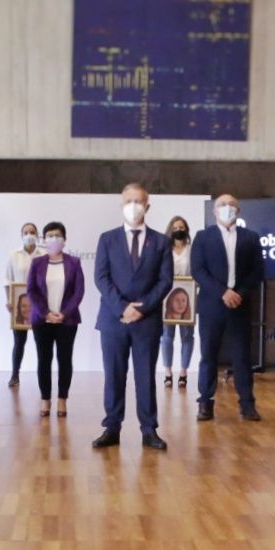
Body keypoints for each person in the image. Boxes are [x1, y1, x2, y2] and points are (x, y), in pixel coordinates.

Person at [93, 183, 173, 450]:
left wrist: (142, 308)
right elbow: (101, 278)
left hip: (146, 321)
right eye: (129, 201)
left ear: (148, 206)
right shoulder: (107, 239)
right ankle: (111, 428)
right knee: (114, 375)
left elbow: (165, 281)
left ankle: (149, 429)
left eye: (139, 201)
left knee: (145, 376)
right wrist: (122, 308)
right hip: (113, 320)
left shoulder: (161, 242)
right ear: (121, 204)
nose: (134, 206)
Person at [193, 193, 266, 422]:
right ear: (214, 211)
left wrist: (238, 294)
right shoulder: (203, 237)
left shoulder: (250, 237)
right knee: (208, 355)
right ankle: (205, 403)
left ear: (239, 211)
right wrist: (222, 292)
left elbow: (257, 271)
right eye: (222, 205)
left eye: (232, 205)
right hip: (211, 305)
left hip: (240, 305)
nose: (227, 208)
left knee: (242, 357)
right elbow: (198, 270)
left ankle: (247, 405)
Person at [26, 221, 84, 418]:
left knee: (64, 359)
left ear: (64, 240)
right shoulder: (37, 263)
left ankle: (62, 399)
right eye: (49, 235)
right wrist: (45, 313)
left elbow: (79, 291)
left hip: (67, 321)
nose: (53, 239)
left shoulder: (74, 263)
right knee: (44, 359)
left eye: (57, 235)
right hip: (42, 320)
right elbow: (31, 290)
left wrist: (64, 313)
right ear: (44, 240)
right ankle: (45, 399)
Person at [159, 217, 195, 390]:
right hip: (167, 296)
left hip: (188, 296)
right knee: (167, 336)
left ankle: (183, 372)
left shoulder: (192, 249)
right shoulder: (164, 249)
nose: (178, 229)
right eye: (175, 227)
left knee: (187, 336)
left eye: (181, 227)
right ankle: (167, 371)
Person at [7, 221, 42, 388]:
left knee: (42, 342)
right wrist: (10, 301)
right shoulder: (14, 255)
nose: (29, 234)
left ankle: (43, 375)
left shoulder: (43, 255)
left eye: (32, 231)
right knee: (19, 342)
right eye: (26, 232)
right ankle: (15, 375)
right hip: (21, 306)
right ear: (22, 236)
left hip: (40, 305)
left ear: (37, 235)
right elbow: (8, 280)